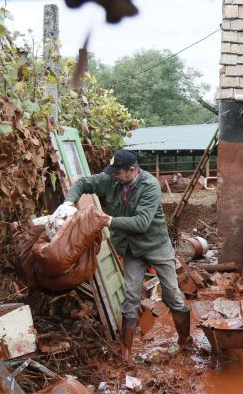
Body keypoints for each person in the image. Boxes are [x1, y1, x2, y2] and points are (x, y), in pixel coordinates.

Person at [62, 149, 190, 354]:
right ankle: (126, 351)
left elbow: (141, 223)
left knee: (172, 294)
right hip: (132, 249)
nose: (112, 175)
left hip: (156, 245)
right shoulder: (112, 178)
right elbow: (82, 184)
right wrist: (68, 203)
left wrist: (107, 220)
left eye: (117, 172)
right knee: (130, 295)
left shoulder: (150, 186)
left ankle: (184, 340)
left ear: (132, 170)